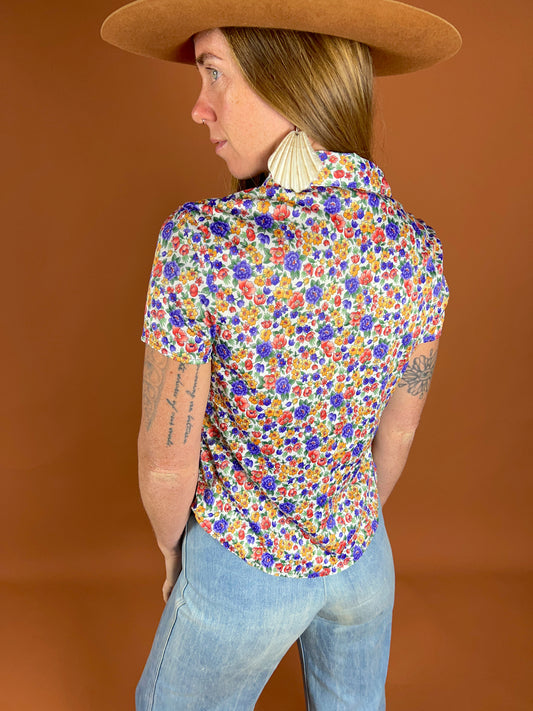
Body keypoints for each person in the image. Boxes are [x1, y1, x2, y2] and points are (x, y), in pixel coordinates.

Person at [101, 2, 461, 709]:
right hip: (364, 562)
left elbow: (167, 458)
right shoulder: (416, 247)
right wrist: (342, 529)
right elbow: (397, 432)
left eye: (213, 73)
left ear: (287, 80)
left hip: (244, 563)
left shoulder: (202, 244)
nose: (199, 108)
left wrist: (176, 553)